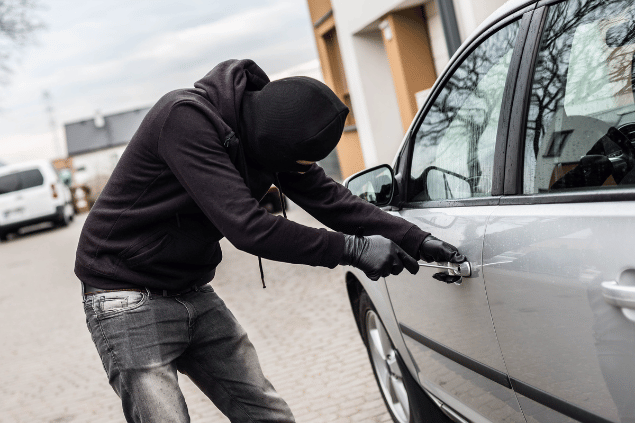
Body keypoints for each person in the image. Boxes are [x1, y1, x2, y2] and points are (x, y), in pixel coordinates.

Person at [75, 59, 465, 423]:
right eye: (296, 164)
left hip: (189, 288)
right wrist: (355, 249)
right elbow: (250, 228)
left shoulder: (266, 130)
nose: (297, 173)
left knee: (268, 415)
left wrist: (414, 238)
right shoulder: (185, 120)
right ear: (273, 140)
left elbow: (328, 198)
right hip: (124, 295)